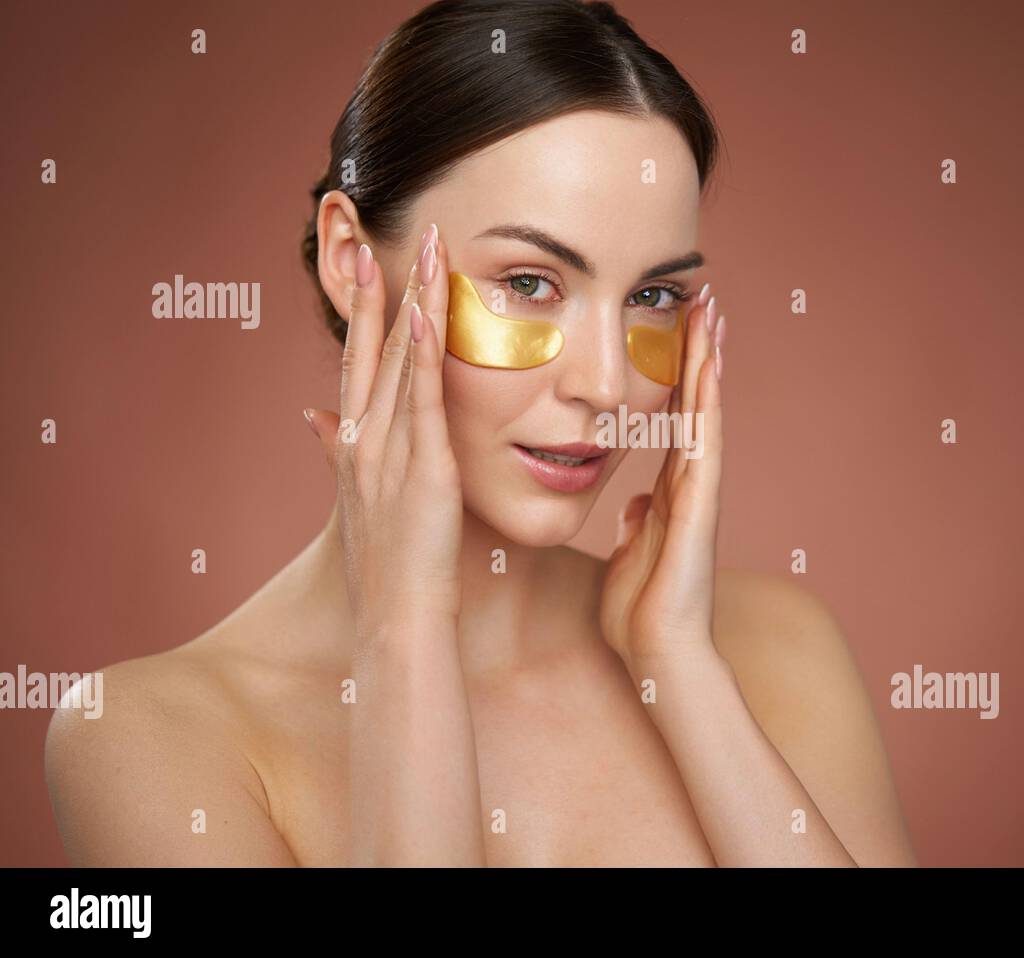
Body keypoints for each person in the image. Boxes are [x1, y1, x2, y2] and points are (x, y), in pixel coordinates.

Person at [45, 0, 915, 867]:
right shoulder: (148, 738)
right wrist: (405, 631)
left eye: (653, 297)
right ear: (353, 262)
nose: (607, 385)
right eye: (530, 283)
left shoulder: (774, 649)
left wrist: (678, 665)